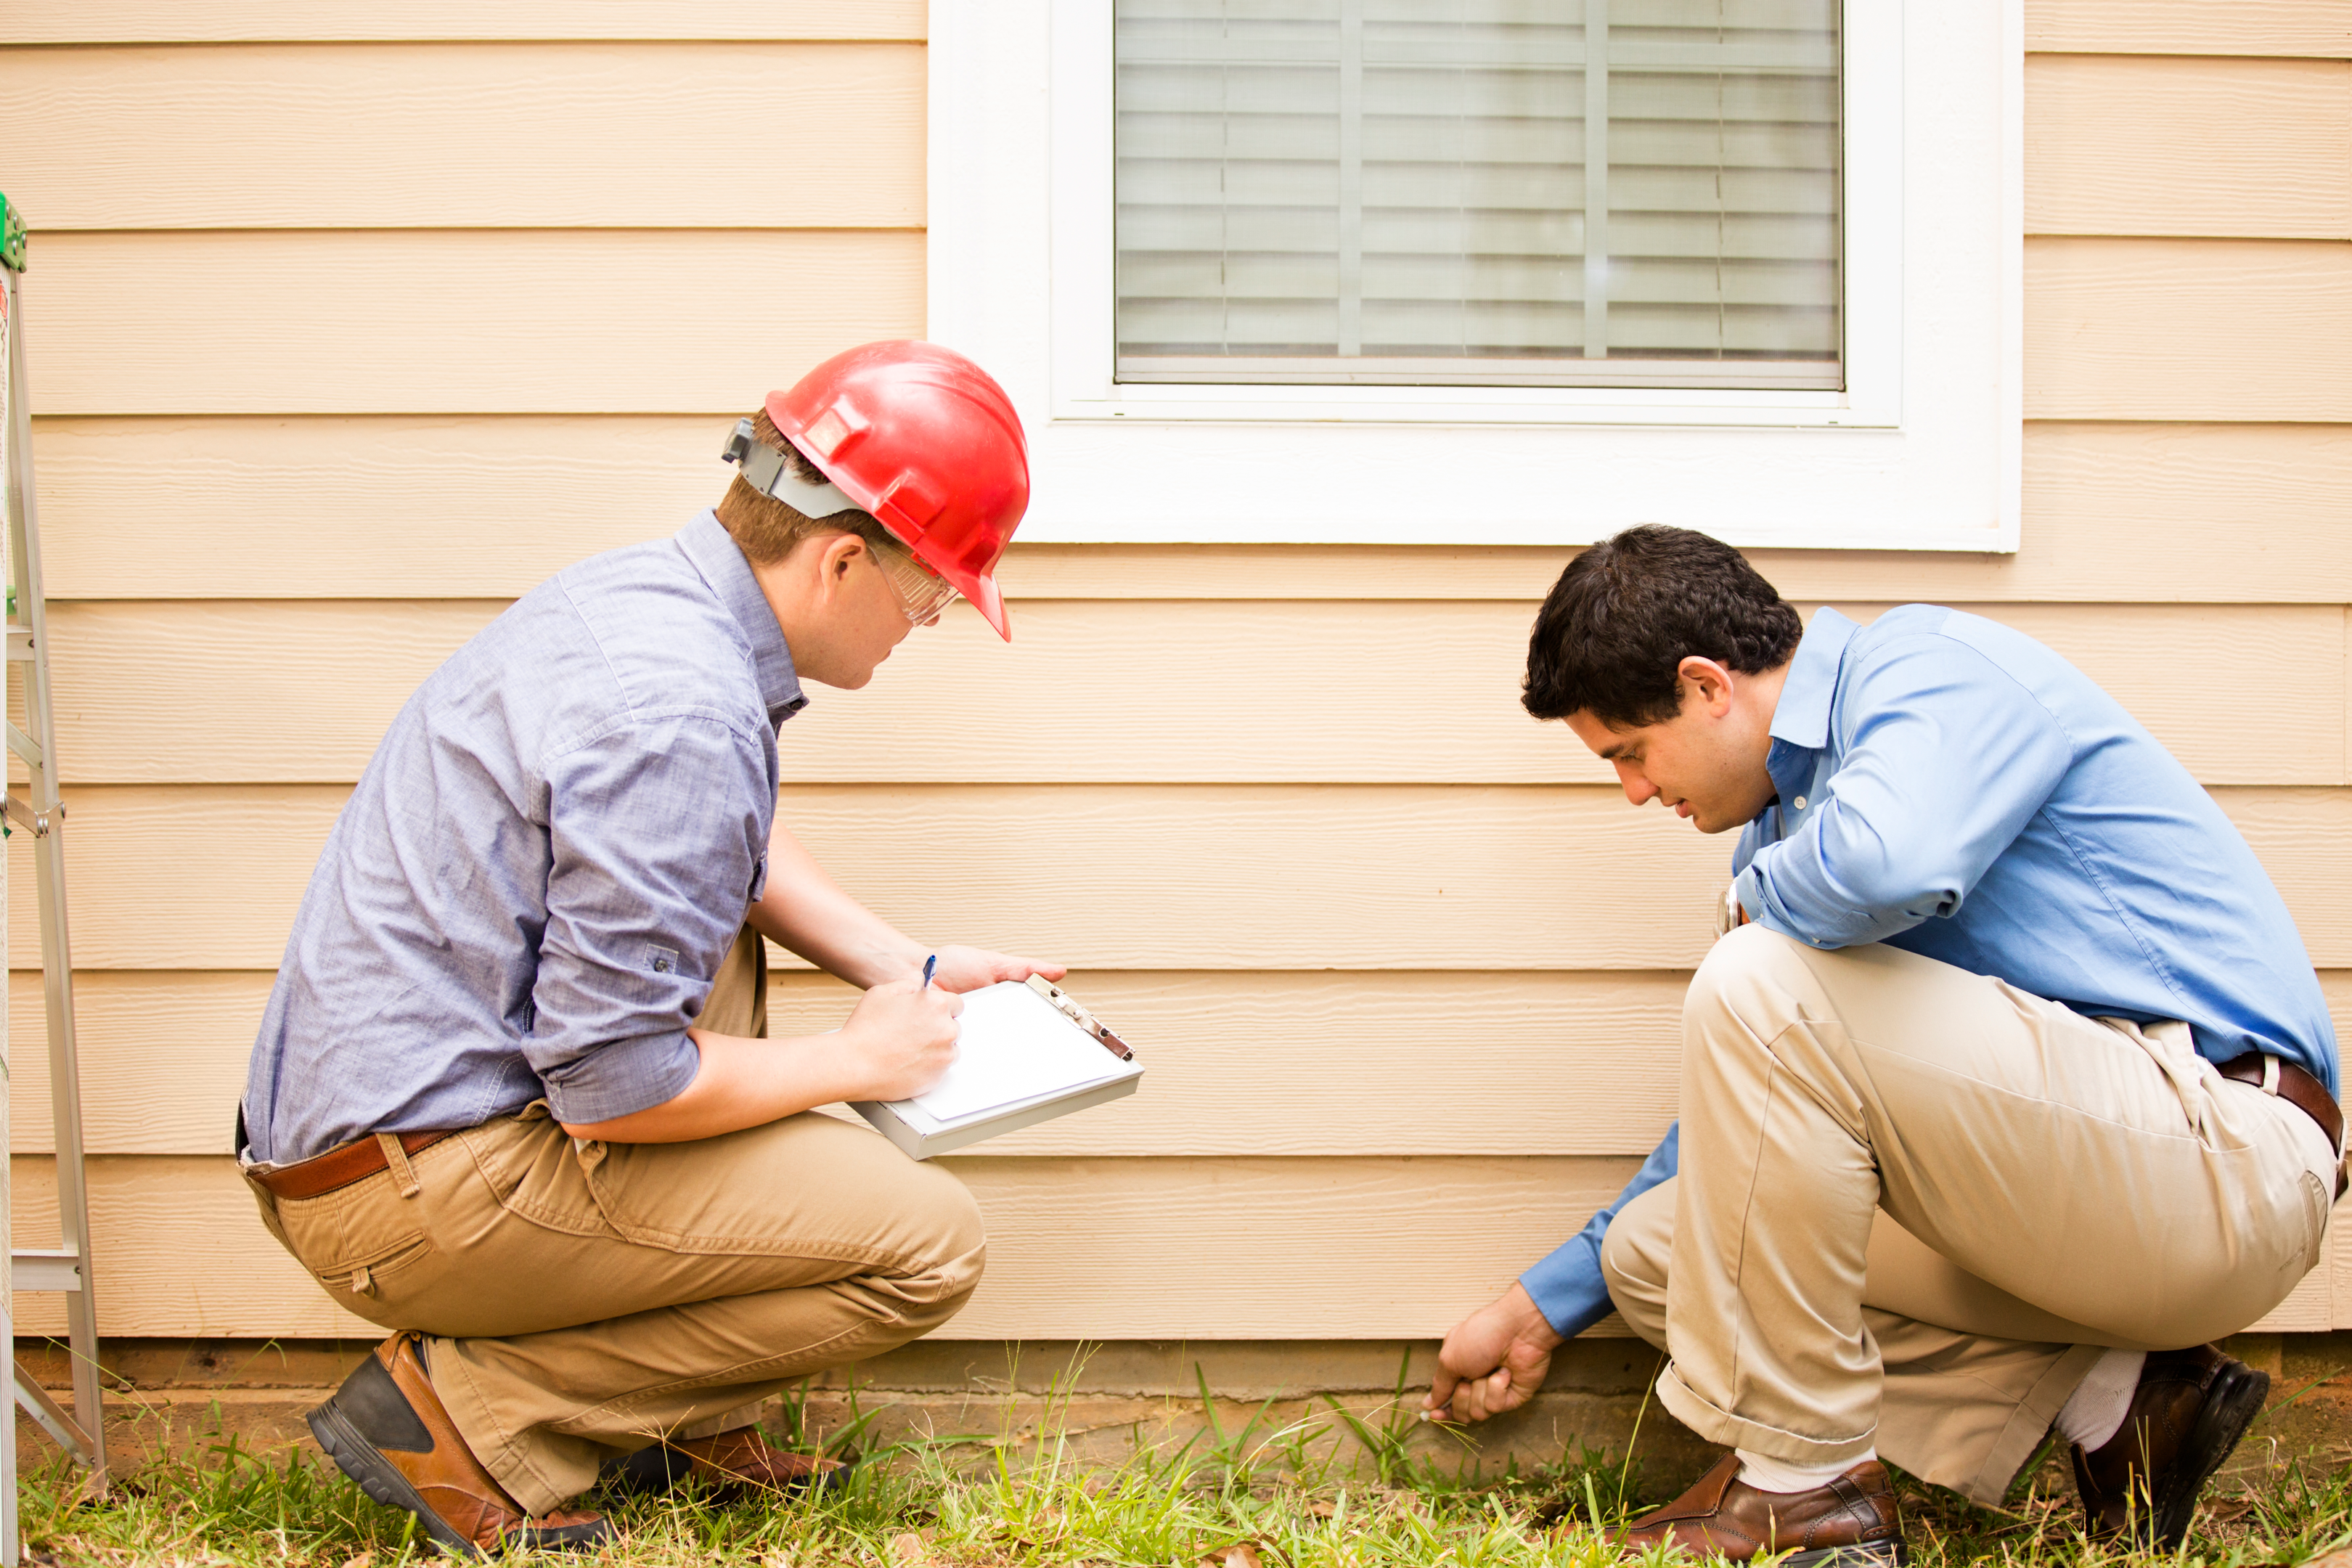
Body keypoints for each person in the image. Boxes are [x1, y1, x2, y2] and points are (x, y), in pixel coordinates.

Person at [237, 340, 1061, 1555]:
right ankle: (474, 1418)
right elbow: (617, 1085)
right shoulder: (679, 711)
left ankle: (679, 1422)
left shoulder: (650, 603)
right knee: (929, 1248)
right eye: (932, 593)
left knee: (702, 943)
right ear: (841, 559)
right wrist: (857, 1061)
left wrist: (907, 969)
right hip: (415, 1196)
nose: (928, 622)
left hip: (386, 1139)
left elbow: (722, 846)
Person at [1424, 526, 2340, 1562]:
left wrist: (1749, 914)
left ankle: (1806, 1490)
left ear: (1706, 685)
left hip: (2225, 1157)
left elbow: (1891, 865)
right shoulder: (1784, 840)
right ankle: (2120, 1399)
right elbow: (1746, 1133)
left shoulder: (1924, 670)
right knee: (1660, 1252)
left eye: (1630, 752)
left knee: (1756, 980)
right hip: (2089, 1200)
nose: (1635, 791)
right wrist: (1539, 1309)